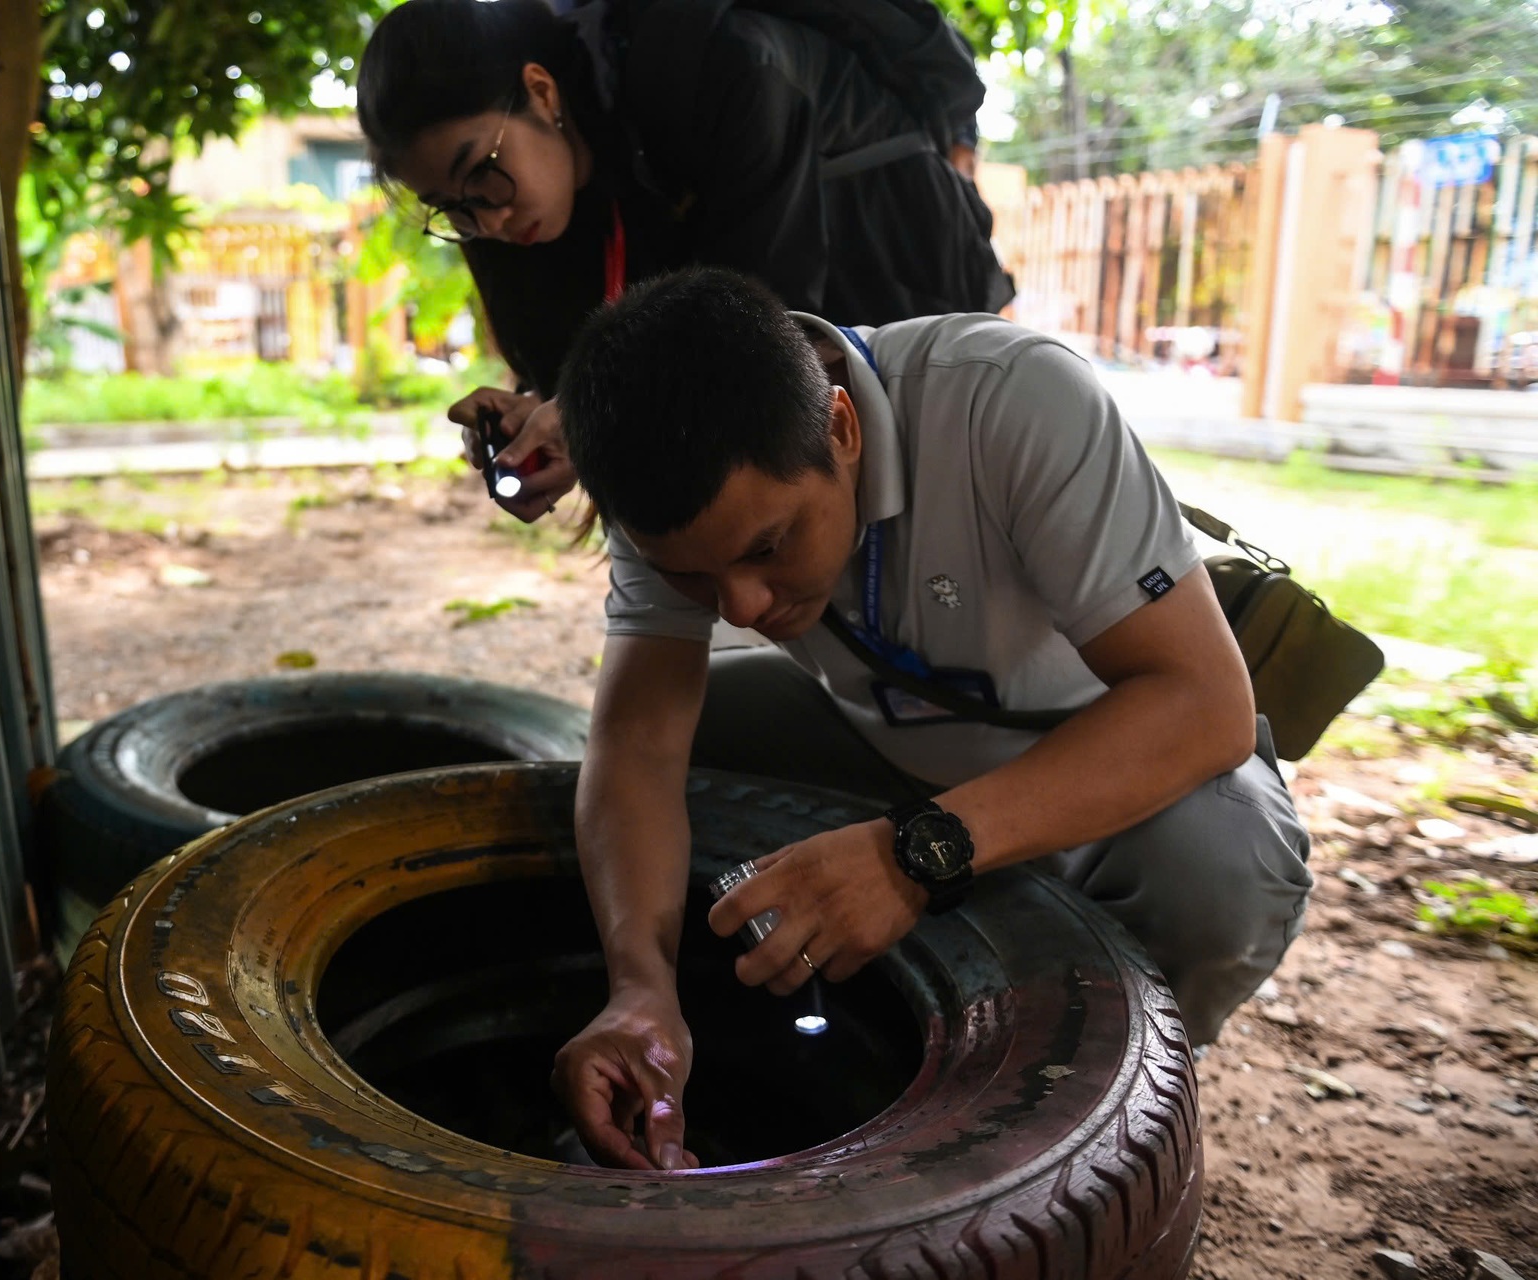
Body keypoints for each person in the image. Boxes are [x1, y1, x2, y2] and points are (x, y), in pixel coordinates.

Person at [546, 267, 1312, 1171]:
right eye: (693, 579)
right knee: (638, 758)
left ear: (842, 426)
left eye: (769, 547)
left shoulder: (1010, 399)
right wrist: (639, 987)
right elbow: (636, 748)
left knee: (1226, 872)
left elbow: (1205, 705)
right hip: (883, 735)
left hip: (1103, 746)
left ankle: (1102, 1097)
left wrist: (914, 854)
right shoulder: (665, 498)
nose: (742, 607)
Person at [357, 0, 1010, 522]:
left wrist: (594, 414)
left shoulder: (717, 61)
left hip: (896, 258)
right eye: (449, 207)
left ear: (542, 92)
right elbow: (628, 358)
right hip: (780, 314)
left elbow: (762, 333)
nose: (487, 221)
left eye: (483, 175)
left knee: (932, 518)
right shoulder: (538, 175)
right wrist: (543, 417)